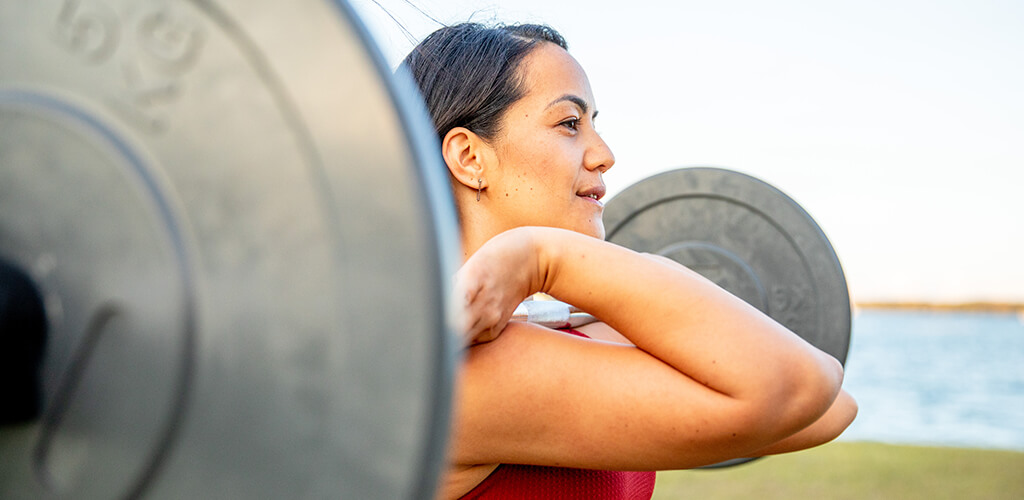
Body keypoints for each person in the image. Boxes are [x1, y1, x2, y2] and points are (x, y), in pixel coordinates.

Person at [401, 22, 857, 500]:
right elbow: (800, 387)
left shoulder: (561, 331)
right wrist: (544, 255)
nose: (604, 155)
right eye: (570, 123)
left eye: (595, 124)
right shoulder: (461, 372)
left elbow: (830, 407)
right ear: (470, 157)